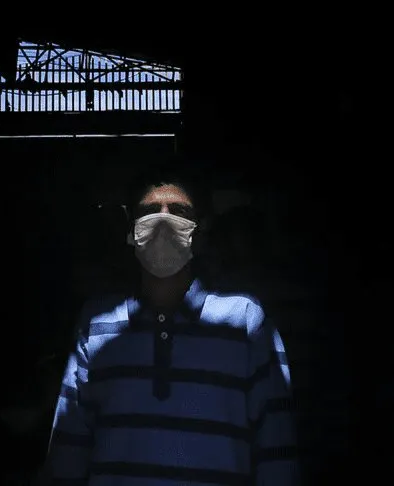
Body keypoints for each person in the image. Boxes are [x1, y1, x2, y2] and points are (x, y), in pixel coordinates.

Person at [41, 168, 300, 485]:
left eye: (179, 212)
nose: (163, 222)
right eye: (150, 211)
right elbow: (68, 454)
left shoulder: (246, 321)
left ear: (200, 231)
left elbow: (277, 455)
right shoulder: (96, 323)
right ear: (131, 229)